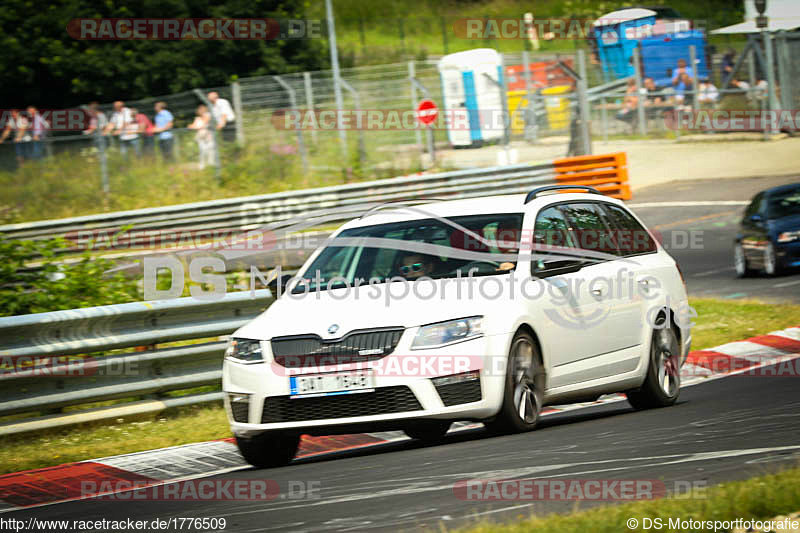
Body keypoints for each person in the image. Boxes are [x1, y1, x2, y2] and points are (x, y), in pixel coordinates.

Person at [188, 104, 214, 169]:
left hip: (208, 136)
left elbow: (203, 124)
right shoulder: (197, 118)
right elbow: (191, 126)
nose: (201, 111)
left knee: (210, 150)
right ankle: (202, 165)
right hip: (201, 137)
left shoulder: (208, 116)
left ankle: (211, 165)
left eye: (202, 110)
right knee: (202, 151)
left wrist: (195, 127)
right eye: (200, 110)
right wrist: (192, 126)